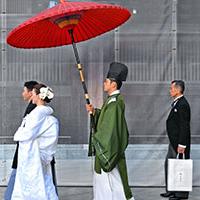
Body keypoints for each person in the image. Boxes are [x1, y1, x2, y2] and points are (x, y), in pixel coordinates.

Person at [86, 62, 134, 200]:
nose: (104, 83)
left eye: (106, 81)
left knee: (111, 183)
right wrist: (95, 111)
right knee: (114, 182)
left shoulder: (114, 103)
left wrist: (97, 138)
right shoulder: (113, 101)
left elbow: (110, 130)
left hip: (109, 150)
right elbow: (107, 120)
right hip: (112, 149)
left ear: (113, 84)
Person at [11, 83, 59, 200]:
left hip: (32, 156)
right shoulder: (45, 114)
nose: (31, 97)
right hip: (39, 155)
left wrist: (18, 134)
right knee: (45, 182)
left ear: (39, 96)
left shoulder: (37, 114)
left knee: (32, 185)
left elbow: (27, 133)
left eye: (33, 94)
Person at [4, 81, 38, 200]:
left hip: (27, 150)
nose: (22, 94)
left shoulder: (34, 109)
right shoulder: (33, 108)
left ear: (31, 92)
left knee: (16, 175)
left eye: (24, 91)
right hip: (25, 149)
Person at [160, 80, 191, 200]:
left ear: (178, 90)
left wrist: (182, 144)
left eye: (172, 88)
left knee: (180, 167)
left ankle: (181, 194)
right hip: (173, 141)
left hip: (179, 142)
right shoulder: (177, 103)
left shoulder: (183, 104)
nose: (170, 90)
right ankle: (171, 190)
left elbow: (184, 126)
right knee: (170, 165)